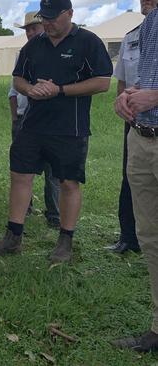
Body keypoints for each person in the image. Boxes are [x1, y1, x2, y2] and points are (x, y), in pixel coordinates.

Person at [0, 0, 112, 263]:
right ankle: (13, 236)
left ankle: (65, 240)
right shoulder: (34, 45)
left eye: (53, 18)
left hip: (69, 128)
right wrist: (28, 89)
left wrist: (59, 90)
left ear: (70, 14)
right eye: (45, 18)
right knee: (20, 175)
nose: (48, 23)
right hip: (32, 125)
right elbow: (18, 78)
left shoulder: (88, 41)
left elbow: (103, 82)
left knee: (68, 182)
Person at [112, 4, 158, 352]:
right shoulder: (150, 21)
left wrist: (154, 96)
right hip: (141, 136)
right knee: (150, 236)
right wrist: (128, 96)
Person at [106, 0, 158, 254]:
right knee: (148, 234)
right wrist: (125, 97)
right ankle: (129, 236)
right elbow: (136, 79)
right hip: (139, 131)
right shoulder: (145, 28)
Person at [9, 11, 61, 228]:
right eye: (28, 29)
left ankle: (54, 213)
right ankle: (24, 208)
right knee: (22, 169)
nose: (30, 32)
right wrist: (15, 118)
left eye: (34, 27)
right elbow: (13, 90)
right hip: (23, 119)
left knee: (52, 171)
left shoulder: (55, 52)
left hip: (50, 120)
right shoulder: (23, 53)